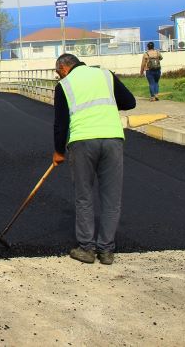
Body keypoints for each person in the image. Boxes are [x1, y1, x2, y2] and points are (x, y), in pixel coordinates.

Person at [52, 53, 136, 266]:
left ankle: (86, 249)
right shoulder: (105, 75)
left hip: (82, 141)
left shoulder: (65, 85)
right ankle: (106, 251)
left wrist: (58, 152)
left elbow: (60, 124)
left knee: (84, 196)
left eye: (57, 73)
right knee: (111, 198)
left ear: (63, 68)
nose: (58, 77)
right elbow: (130, 102)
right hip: (112, 139)